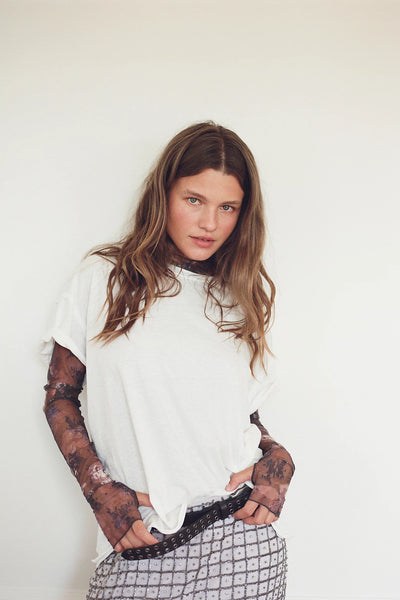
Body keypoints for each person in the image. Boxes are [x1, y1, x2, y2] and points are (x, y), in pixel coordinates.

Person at [41, 121, 295, 600]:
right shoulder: (106, 278)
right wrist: (101, 492)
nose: (209, 223)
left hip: (241, 534)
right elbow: (60, 397)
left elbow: (238, 413)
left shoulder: (241, 295)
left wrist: (277, 456)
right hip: (141, 535)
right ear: (164, 195)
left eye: (228, 207)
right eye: (194, 199)